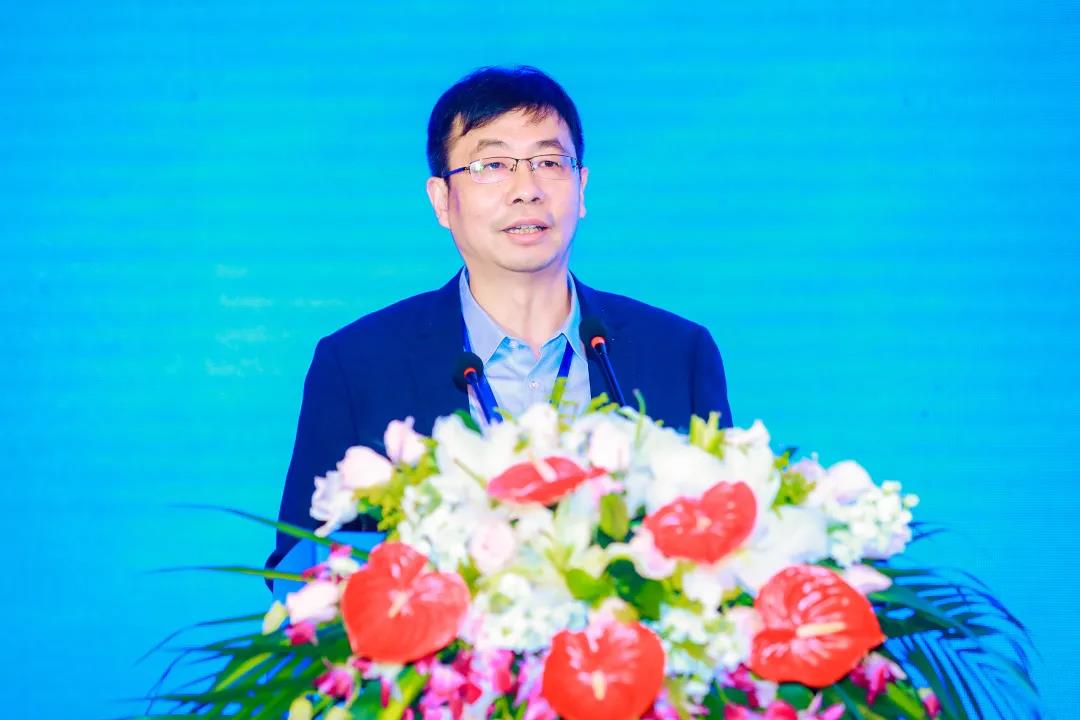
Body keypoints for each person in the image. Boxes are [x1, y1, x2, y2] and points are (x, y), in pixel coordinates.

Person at [268, 65, 733, 571]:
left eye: (549, 162)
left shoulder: (677, 353)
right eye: (492, 165)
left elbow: (723, 544)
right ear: (442, 201)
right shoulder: (358, 364)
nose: (526, 189)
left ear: (582, 188)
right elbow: (301, 568)